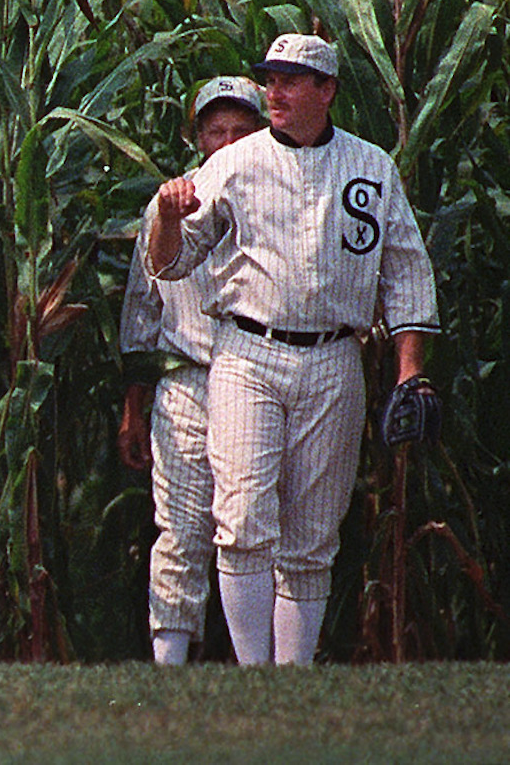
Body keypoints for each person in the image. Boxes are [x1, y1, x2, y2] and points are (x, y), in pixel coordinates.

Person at [147, 34, 436, 665]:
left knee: (311, 536)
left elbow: (407, 272)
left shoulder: (371, 166)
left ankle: (293, 678)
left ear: (327, 90)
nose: (274, 92)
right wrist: (169, 216)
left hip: (336, 356)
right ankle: (257, 678)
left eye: (290, 80)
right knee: (244, 519)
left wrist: (410, 371)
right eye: (270, 80)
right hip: (248, 352)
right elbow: (171, 265)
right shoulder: (234, 162)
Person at [119, 76, 267, 665]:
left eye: (240, 129)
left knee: (256, 525)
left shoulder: (277, 198)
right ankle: (170, 663)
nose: (227, 140)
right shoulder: (165, 206)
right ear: (197, 134)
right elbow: (141, 311)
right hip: (186, 379)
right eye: (216, 129)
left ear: (260, 131)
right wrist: (132, 407)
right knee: (179, 526)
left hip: (260, 374)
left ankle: (261, 662)